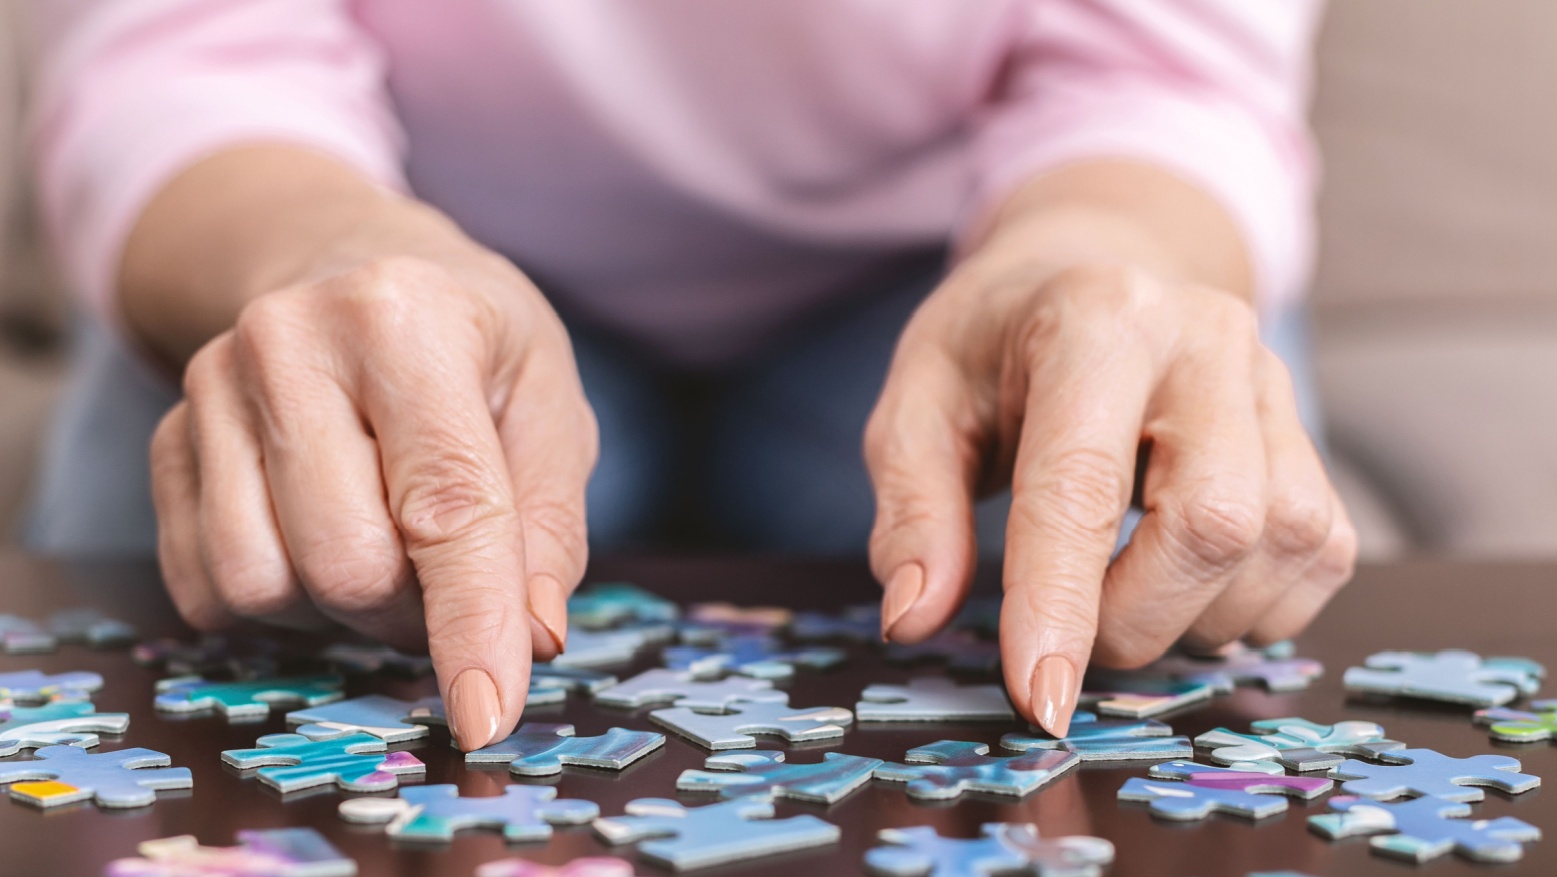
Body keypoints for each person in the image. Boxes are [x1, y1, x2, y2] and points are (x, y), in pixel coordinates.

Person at [24, 0, 1354, 751]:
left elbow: (1160, 75)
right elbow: (184, 51)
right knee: (212, 611)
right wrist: (321, 251)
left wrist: (1096, 254)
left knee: (1152, 577)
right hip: (369, 234)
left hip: (961, 272)